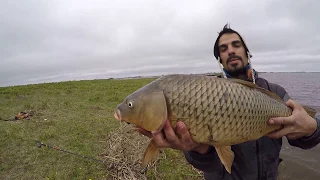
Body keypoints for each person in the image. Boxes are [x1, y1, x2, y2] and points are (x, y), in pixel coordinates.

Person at [136, 24, 320, 180]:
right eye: (223, 49)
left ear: (247, 52)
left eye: (236, 45)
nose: (230, 50)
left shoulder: (276, 93)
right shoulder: (206, 94)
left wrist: (312, 128)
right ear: (220, 60)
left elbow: (304, 141)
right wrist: (200, 150)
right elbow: (211, 167)